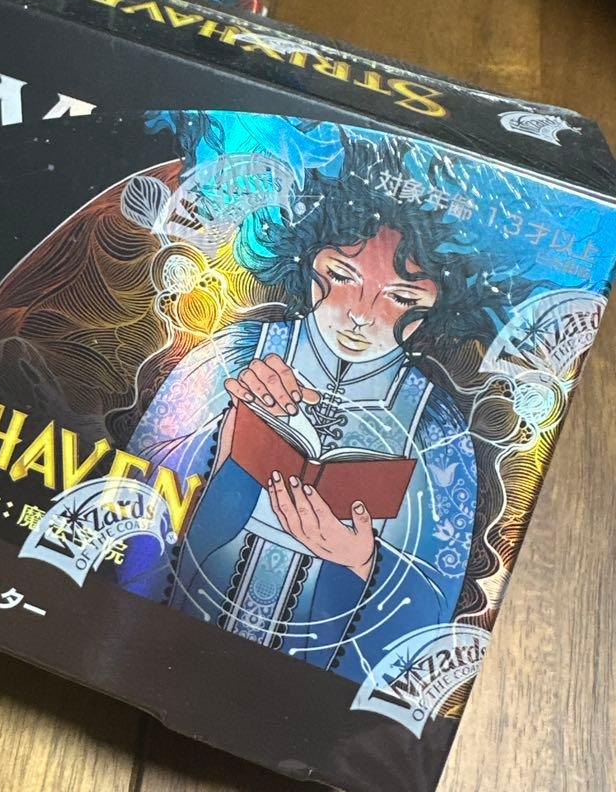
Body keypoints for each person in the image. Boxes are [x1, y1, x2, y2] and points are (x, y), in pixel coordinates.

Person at [120, 135, 508, 682]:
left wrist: (360, 561)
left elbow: (432, 590)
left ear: (432, 312)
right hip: (171, 630)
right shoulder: (238, 351)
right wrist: (221, 441)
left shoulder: (434, 427)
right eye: (344, 277)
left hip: (307, 674)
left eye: (401, 298)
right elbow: (135, 485)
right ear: (309, 265)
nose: (361, 314)